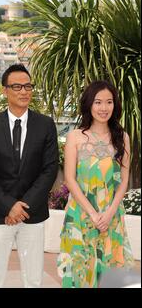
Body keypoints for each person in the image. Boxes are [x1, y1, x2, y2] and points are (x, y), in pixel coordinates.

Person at [0, 63, 59, 288]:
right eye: (17, 87)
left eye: (28, 86)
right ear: (5, 90)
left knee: (33, 280)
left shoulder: (46, 125)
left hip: (33, 214)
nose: (24, 91)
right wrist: (9, 206)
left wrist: (23, 207)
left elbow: (50, 169)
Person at [57, 81, 134, 288]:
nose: (103, 108)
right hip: (80, 216)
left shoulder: (122, 137)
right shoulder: (74, 137)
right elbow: (69, 179)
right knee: (78, 274)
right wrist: (92, 213)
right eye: (98, 102)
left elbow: (124, 180)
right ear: (89, 105)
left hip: (111, 217)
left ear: (114, 105)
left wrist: (108, 214)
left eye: (109, 102)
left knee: (109, 274)